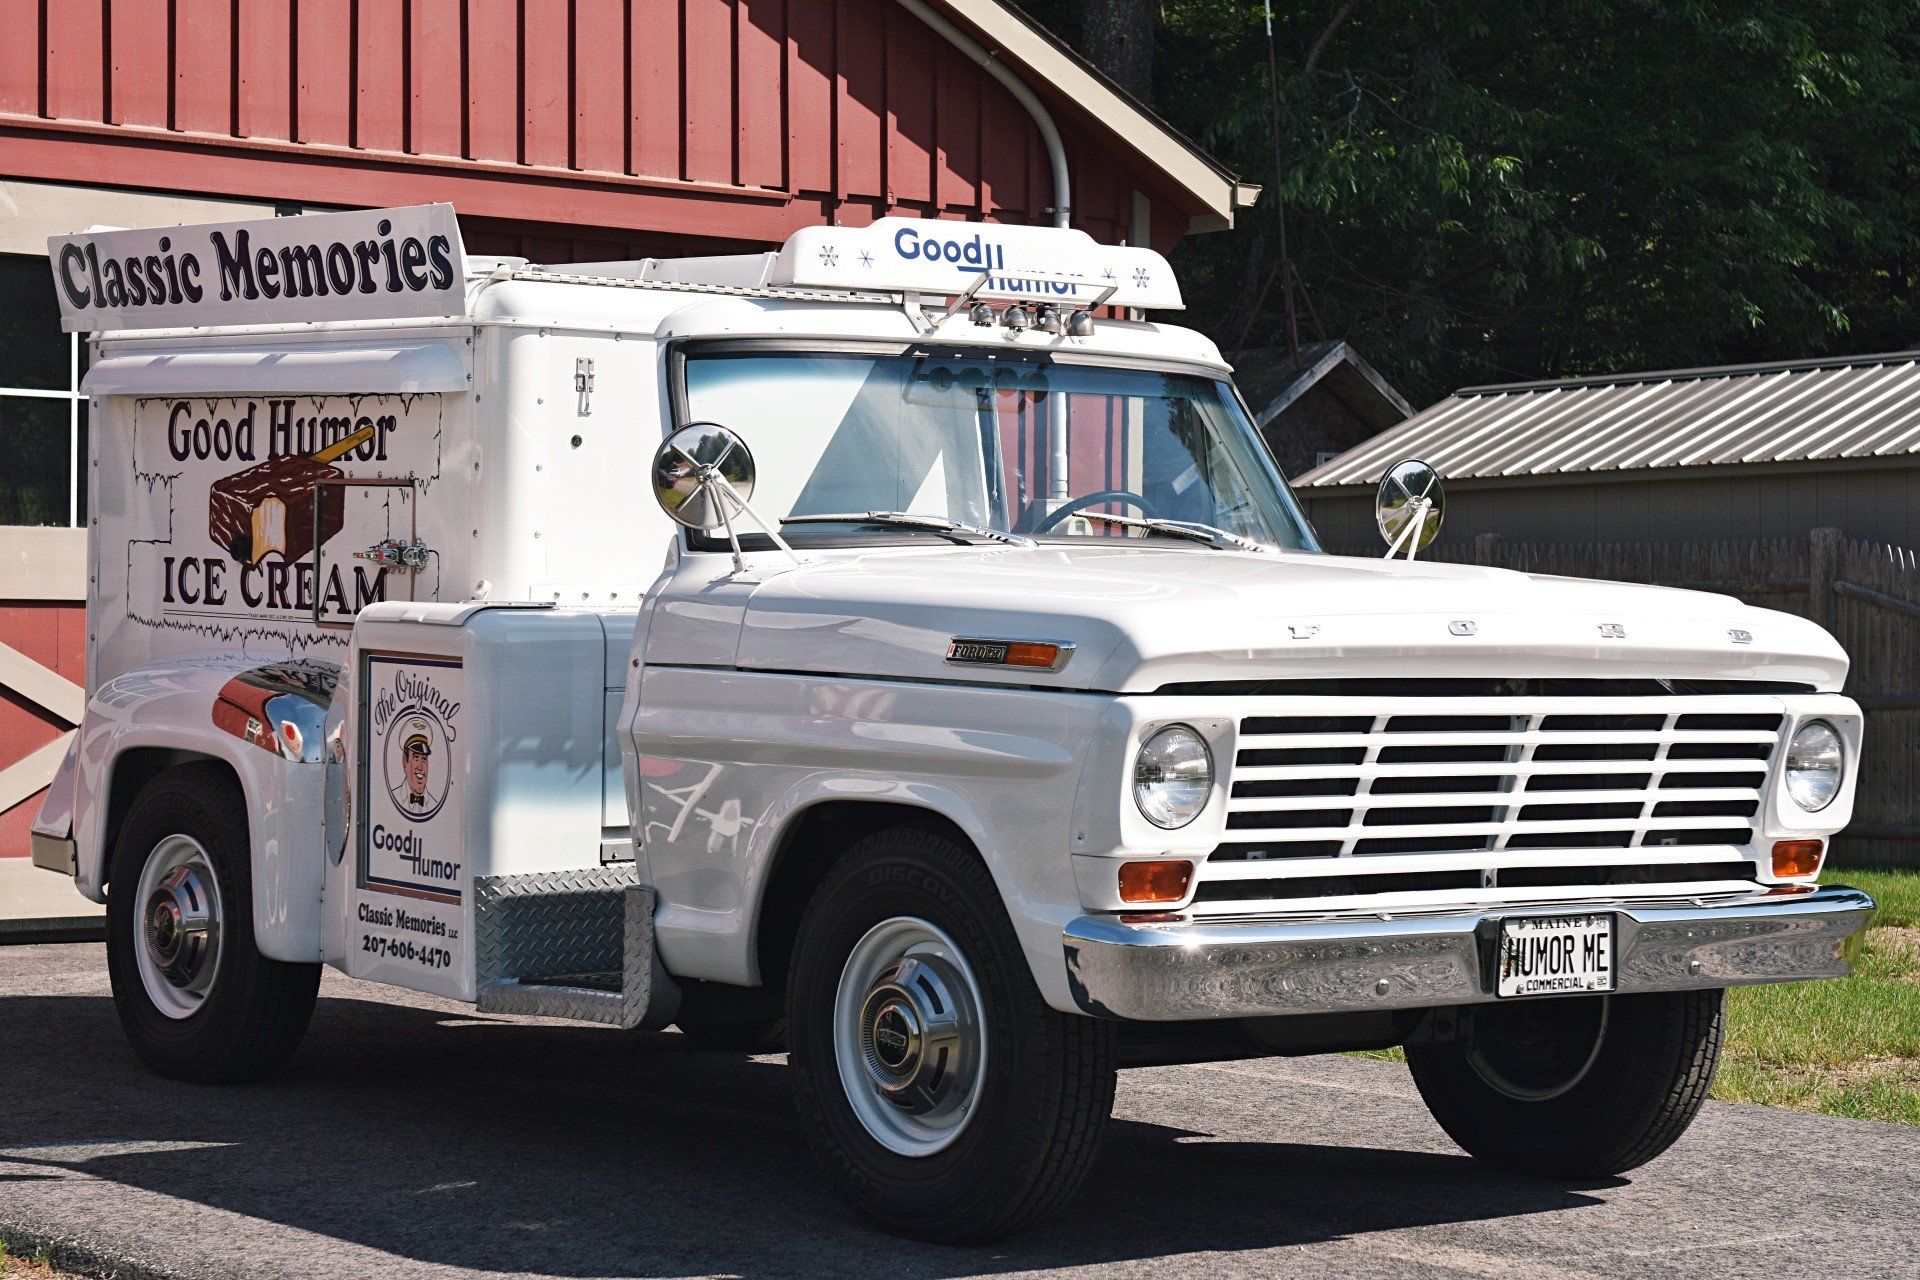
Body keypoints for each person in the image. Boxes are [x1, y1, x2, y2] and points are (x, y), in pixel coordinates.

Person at [391, 721, 433, 814]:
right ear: (405, 762)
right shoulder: (391, 800)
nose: (421, 767)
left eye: (424, 759)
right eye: (416, 758)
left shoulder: (434, 804)